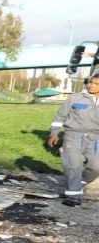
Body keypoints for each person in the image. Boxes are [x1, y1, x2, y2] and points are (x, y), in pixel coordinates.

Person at [48, 73, 99, 206]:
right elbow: (60, 116)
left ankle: (79, 182)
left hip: (95, 139)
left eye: (96, 84)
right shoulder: (75, 98)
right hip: (73, 136)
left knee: (96, 167)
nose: (91, 85)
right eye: (90, 82)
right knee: (73, 165)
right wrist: (54, 133)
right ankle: (73, 195)